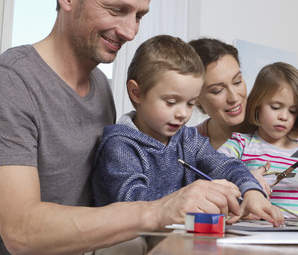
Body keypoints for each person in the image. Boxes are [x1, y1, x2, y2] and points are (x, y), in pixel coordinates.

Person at [0, 0, 251, 254]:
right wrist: (157, 210)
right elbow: (21, 232)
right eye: (117, 10)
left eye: (139, 16)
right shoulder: (6, 83)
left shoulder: (99, 86)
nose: (130, 31)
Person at [92, 35, 284, 227]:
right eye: (171, 102)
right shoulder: (119, 145)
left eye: (191, 103)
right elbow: (132, 204)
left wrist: (252, 192)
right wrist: (194, 195)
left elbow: (227, 166)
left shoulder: (188, 139)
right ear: (137, 93)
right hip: (129, 235)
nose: (183, 113)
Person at [217, 62, 298, 220]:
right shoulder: (242, 143)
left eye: (293, 111)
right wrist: (247, 178)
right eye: (276, 107)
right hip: (260, 228)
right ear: (257, 106)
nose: (284, 116)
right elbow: (214, 167)